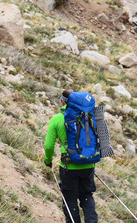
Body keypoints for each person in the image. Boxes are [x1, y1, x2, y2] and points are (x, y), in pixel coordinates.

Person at [44, 89, 98, 223]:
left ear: (63, 101)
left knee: (70, 198)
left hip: (68, 166)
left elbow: (48, 146)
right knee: (86, 195)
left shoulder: (57, 118)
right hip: (88, 163)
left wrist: (48, 161)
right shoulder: (89, 116)